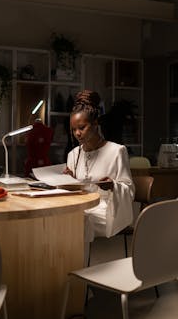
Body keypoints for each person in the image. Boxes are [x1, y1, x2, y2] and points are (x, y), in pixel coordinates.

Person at [64, 90, 135, 243]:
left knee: (78, 221)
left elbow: (129, 189)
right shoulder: (73, 154)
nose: (77, 133)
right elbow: (76, 192)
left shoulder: (117, 151)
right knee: (60, 219)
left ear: (95, 124)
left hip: (107, 209)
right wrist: (69, 182)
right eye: (74, 129)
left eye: (82, 127)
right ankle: (67, 264)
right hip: (81, 207)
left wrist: (113, 186)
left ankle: (80, 265)